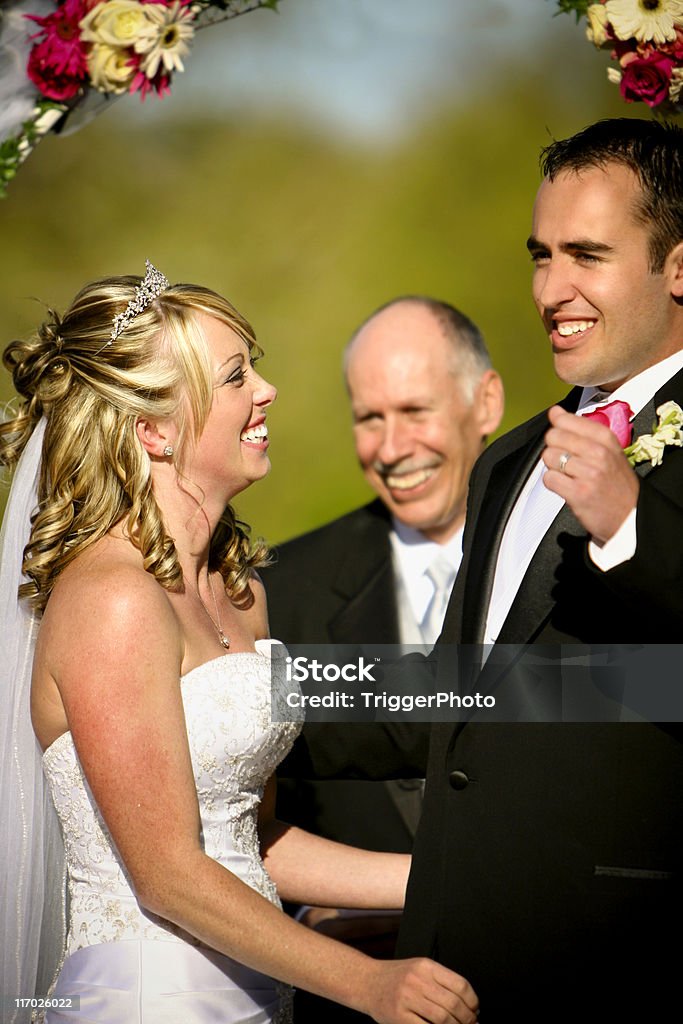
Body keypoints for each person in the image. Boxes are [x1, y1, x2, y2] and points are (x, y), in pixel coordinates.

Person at [0, 264, 480, 1024]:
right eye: (234, 377)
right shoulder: (113, 599)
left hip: (254, 989)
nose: (267, 391)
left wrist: (446, 874)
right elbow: (169, 876)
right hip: (149, 999)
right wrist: (367, 983)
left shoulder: (239, 591)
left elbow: (245, 840)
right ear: (151, 430)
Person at [286, 118, 683, 1021]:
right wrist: (254, 686)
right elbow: (469, 694)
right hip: (464, 971)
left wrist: (628, 525)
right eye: (539, 256)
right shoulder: (509, 463)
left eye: (586, 255)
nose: (552, 290)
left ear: (678, 267)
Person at [265, 298, 503, 1022]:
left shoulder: (565, 559)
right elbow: (243, 806)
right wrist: (303, 926)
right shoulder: (278, 591)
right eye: (369, 418)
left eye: (414, 410)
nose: (391, 447)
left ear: (483, 402)